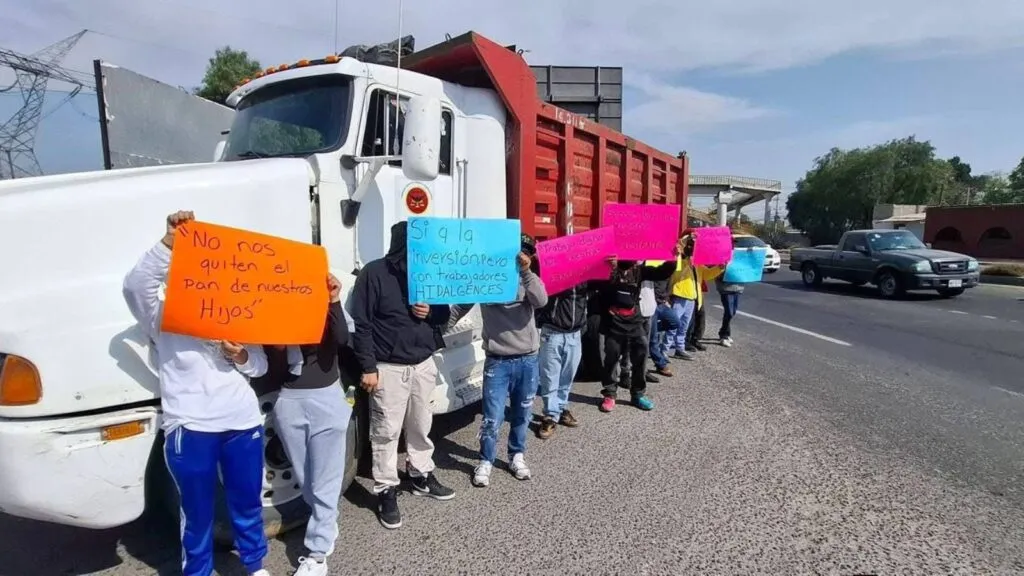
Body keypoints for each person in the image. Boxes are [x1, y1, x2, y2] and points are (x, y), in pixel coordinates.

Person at [123, 210, 270, 576]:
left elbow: (260, 367)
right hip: (190, 428)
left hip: (243, 423)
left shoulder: (239, 312)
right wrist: (169, 243)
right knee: (197, 512)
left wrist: (240, 354)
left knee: (248, 503)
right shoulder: (162, 317)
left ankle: (254, 565)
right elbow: (135, 287)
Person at [350, 221, 454, 530]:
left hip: (423, 363)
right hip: (388, 367)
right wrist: (368, 367)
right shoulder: (374, 273)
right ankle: (386, 490)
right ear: (400, 248)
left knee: (421, 424)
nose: (419, 255)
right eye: (413, 249)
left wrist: (430, 312)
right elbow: (362, 323)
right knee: (386, 431)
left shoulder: (429, 272)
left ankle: (420, 474)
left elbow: (444, 314)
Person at [259, 273, 350, 576]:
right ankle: (328, 522)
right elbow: (267, 363)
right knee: (306, 479)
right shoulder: (277, 314)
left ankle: (318, 554)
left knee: (325, 480)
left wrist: (333, 299)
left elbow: (341, 338)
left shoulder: (325, 307)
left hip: (326, 400)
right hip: (289, 402)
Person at [450, 234, 548, 487]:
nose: (521, 256)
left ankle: (517, 455)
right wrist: (434, 328)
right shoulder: (484, 276)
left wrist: (526, 272)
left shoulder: (528, 279)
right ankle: (486, 460)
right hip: (498, 361)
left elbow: (541, 301)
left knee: (522, 413)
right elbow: (460, 307)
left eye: (527, 253)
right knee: (492, 417)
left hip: (527, 360)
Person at [598, 257, 676, 413]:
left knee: (640, 359)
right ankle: (610, 394)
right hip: (613, 324)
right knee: (611, 361)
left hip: (635, 323)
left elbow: (663, 272)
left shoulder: (639, 272)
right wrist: (610, 267)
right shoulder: (606, 271)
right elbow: (595, 287)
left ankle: (638, 394)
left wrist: (674, 257)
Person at [534, 281, 586, 439]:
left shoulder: (586, 275)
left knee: (568, 376)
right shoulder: (552, 272)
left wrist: (612, 270)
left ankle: (562, 408)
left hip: (575, 334)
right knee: (549, 377)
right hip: (552, 332)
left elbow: (604, 285)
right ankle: (550, 415)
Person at [646, 260, 680, 377]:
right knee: (653, 338)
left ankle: (644, 329)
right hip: (650, 303)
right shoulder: (645, 264)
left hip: (661, 303)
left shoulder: (665, 263)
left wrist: (674, 258)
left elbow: (666, 276)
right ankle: (660, 364)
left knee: (675, 322)